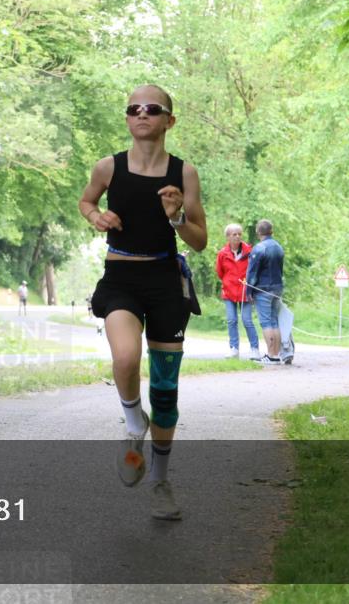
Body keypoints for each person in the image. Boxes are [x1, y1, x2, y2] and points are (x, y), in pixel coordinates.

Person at [79, 84, 208, 520]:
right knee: (126, 357)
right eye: (133, 109)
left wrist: (177, 217)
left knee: (166, 391)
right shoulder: (108, 167)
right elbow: (86, 200)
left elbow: (200, 240)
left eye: (152, 109)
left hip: (165, 280)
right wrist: (97, 216)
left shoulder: (184, 173)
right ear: (127, 118)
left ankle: (160, 482)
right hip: (121, 278)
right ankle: (134, 422)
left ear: (169, 121)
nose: (141, 114)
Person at [215, 223, 260, 360]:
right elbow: (220, 272)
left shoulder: (250, 252)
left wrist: (250, 287)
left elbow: (254, 271)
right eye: (234, 234)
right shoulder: (222, 254)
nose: (237, 236)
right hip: (229, 292)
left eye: (239, 234)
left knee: (247, 320)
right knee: (231, 320)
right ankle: (234, 349)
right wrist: (229, 282)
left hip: (245, 292)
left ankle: (254, 349)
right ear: (228, 236)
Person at [244, 219, 285, 365]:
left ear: (258, 232)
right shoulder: (279, 247)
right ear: (271, 231)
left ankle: (271, 355)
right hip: (277, 288)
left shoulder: (259, 249)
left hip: (263, 290)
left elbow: (252, 273)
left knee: (266, 322)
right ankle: (276, 355)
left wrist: (249, 291)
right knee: (274, 321)